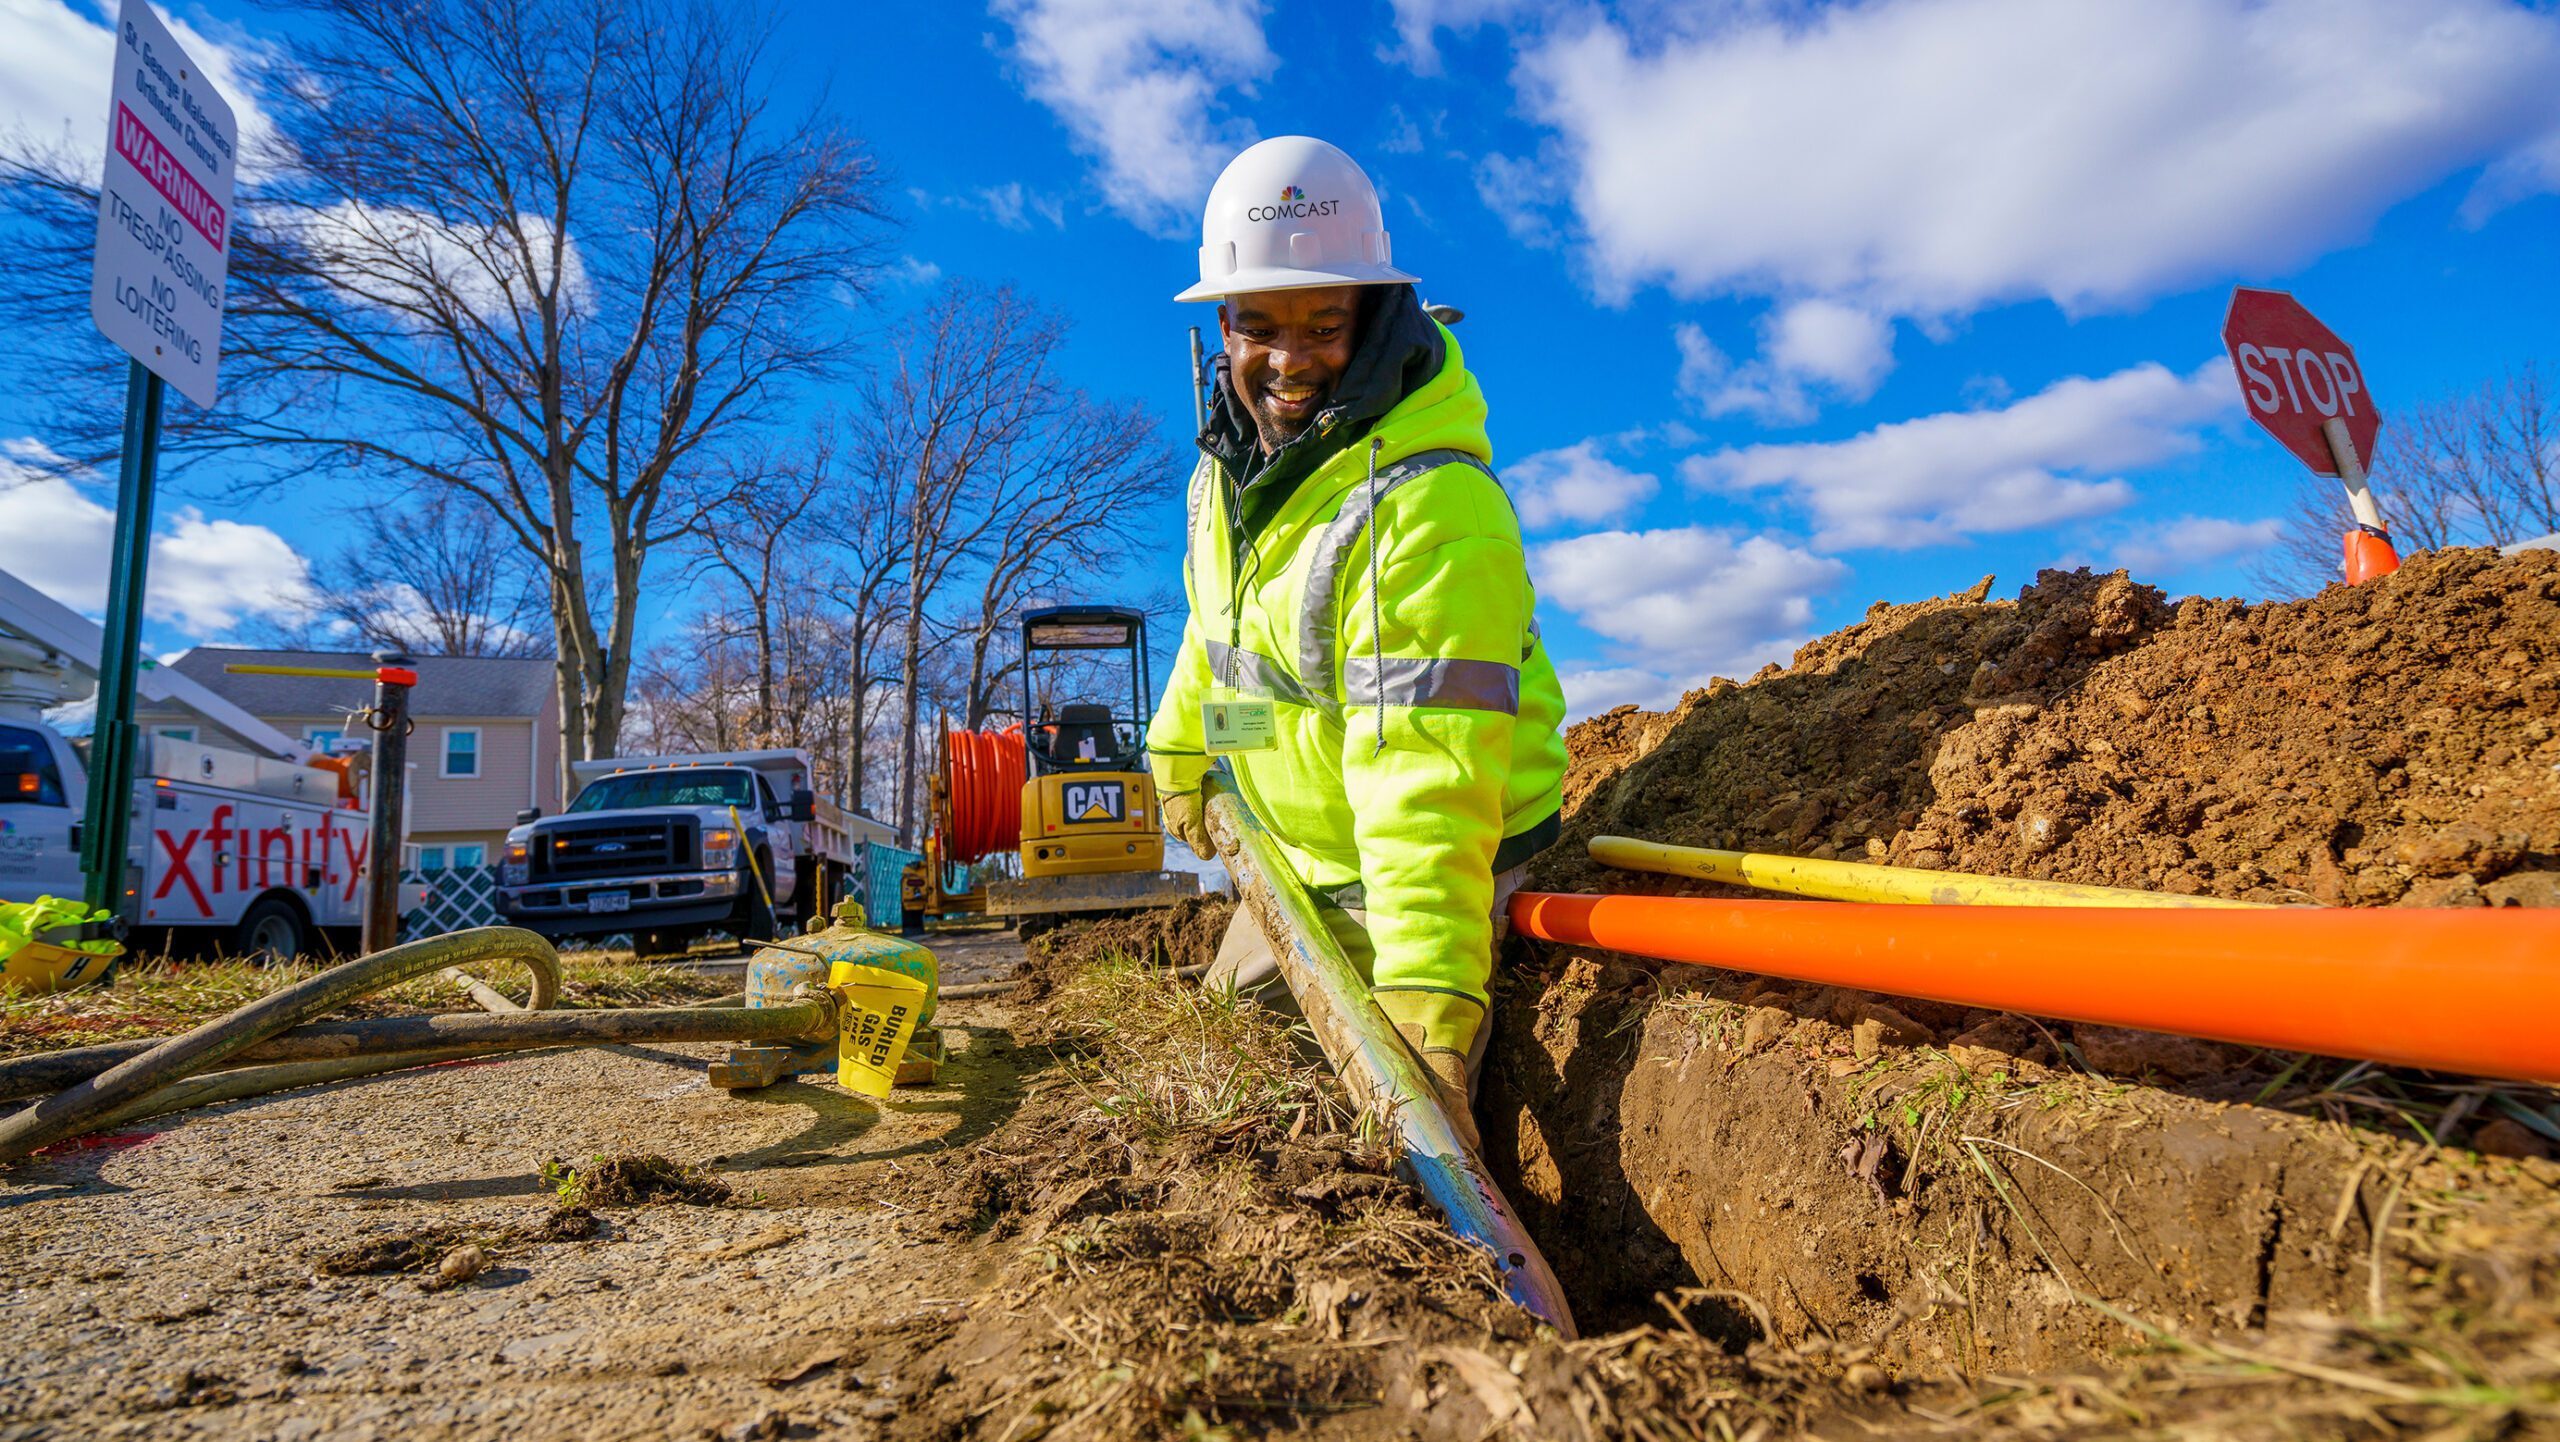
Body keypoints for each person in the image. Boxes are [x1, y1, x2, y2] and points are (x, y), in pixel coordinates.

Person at [1147, 136, 1569, 1148]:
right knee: (1217, 1083)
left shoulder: (1428, 505)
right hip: (1301, 851)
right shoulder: (1227, 476)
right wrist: (1179, 756)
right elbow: (1220, 640)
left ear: (1376, 317)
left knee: (1356, 1140)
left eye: (1322, 324)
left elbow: (1424, 771)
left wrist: (1426, 998)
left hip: (1422, 871)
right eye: (1259, 324)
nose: (1286, 360)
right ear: (1221, 325)